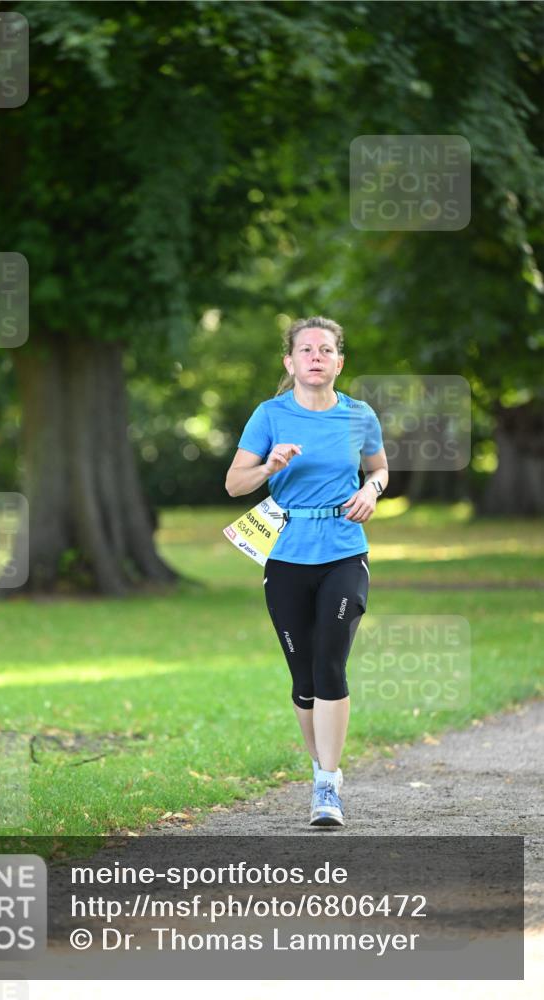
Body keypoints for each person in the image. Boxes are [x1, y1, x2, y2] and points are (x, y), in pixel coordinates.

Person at [225, 316, 388, 827]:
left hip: (344, 551)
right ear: (290, 362)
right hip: (287, 555)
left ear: (339, 362)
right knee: (303, 679)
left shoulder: (359, 415)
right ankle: (320, 768)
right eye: (306, 349)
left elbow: (380, 467)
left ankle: (328, 785)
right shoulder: (269, 415)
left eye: (326, 349)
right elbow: (234, 484)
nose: (316, 356)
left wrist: (371, 490)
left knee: (330, 663)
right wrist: (269, 467)